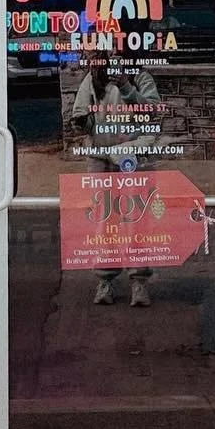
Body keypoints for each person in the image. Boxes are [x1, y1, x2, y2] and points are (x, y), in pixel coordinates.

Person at [68, 62, 162, 306]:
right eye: (109, 49)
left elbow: (151, 112)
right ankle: (105, 280)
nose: (114, 54)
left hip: (132, 155)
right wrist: (83, 122)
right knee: (104, 220)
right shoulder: (94, 77)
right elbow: (82, 115)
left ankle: (139, 281)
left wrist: (127, 87)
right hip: (101, 158)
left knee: (135, 219)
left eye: (118, 48)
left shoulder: (140, 77)